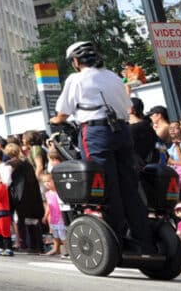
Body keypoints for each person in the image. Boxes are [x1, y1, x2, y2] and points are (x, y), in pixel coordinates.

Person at [50, 40, 151, 254]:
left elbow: (63, 112)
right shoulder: (114, 76)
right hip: (122, 132)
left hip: (96, 132)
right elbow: (127, 106)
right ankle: (143, 235)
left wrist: (56, 120)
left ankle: (117, 237)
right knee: (129, 185)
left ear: (76, 61)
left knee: (105, 184)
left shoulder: (76, 79)